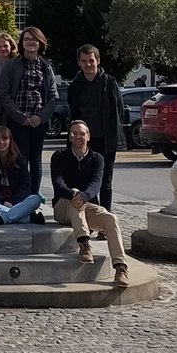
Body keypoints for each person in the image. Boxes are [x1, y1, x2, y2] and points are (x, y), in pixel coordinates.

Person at [51, 120, 131, 288]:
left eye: (81, 133)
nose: (78, 137)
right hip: (63, 207)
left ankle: (121, 268)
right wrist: (74, 194)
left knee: (111, 219)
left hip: (87, 205)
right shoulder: (59, 156)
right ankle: (84, 244)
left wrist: (84, 196)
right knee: (75, 201)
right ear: (69, 137)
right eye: (74, 133)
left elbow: (96, 184)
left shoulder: (97, 159)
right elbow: (58, 184)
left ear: (88, 136)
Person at [0, 26, 58, 196]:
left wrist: (40, 117)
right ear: (22, 43)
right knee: (19, 160)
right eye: (27, 39)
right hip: (17, 122)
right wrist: (20, 117)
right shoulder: (12, 65)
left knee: (36, 161)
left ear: (40, 43)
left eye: (34, 39)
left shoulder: (46, 67)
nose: (30, 42)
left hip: (38, 122)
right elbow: (3, 93)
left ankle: (33, 197)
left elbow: (54, 97)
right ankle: (20, 196)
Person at [67, 44, 126, 212]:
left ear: (98, 61)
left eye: (91, 60)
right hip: (84, 141)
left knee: (105, 182)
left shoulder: (110, 83)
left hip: (106, 139)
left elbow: (119, 111)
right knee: (86, 181)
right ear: (79, 63)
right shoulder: (75, 86)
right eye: (84, 61)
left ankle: (105, 217)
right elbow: (73, 111)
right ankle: (92, 216)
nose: (88, 65)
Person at [0, 125, 43, 225]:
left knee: (36, 199)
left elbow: (25, 185)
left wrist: (13, 203)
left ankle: (3, 218)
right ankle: (28, 219)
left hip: (17, 201)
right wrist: (3, 201)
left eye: (4, 139)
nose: (1, 143)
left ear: (10, 140)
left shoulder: (19, 158)